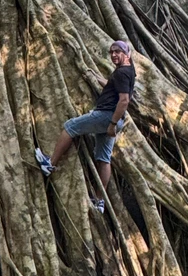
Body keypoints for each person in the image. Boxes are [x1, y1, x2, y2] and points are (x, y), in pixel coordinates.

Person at [35, 40, 135, 213]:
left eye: (118, 52)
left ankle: (49, 165)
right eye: (111, 52)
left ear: (126, 54)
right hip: (115, 119)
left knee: (70, 127)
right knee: (104, 158)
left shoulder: (122, 73)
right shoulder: (128, 71)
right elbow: (116, 87)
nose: (113, 55)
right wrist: (97, 79)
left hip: (106, 116)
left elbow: (124, 100)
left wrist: (111, 124)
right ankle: (99, 200)